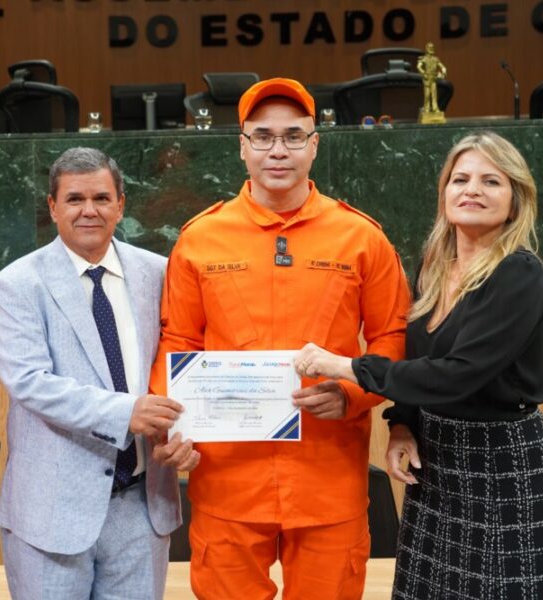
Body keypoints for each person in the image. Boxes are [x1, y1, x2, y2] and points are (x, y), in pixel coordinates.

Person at [149, 78, 411, 599]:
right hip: (227, 478)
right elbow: (178, 341)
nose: (278, 150)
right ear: (242, 145)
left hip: (327, 479)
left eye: (294, 136)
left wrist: (353, 392)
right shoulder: (200, 237)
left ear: (315, 144)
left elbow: (392, 337)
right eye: (263, 137)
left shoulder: (361, 237)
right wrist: (172, 426)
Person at [295, 131, 543, 599]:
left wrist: (347, 367)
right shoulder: (433, 264)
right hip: (436, 461)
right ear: (444, 191)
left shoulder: (519, 274)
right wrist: (402, 423)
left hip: (501, 463)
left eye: (491, 182)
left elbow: (456, 373)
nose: (472, 190)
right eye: (460, 179)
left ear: (516, 199)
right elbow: (418, 355)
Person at [0, 147, 198, 600]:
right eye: (74, 199)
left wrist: (189, 431)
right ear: (53, 207)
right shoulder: (15, 285)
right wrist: (128, 412)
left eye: (101, 198)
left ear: (121, 204)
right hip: (51, 513)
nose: (89, 210)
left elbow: (183, 362)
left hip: (142, 508)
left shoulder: (160, 273)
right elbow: (29, 382)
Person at [417, 42, 447, 114]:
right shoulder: (424, 58)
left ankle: (435, 109)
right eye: (430, 48)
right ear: (427, 49)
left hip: (433, 78)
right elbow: (419, 66)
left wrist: (444, 72)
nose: (431, 49)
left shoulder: (435, 59)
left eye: (432, 48)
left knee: (434, 95)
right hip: (427, 78)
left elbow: (442, 67)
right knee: (427, 95)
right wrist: (423, 73)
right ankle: (426, 109)